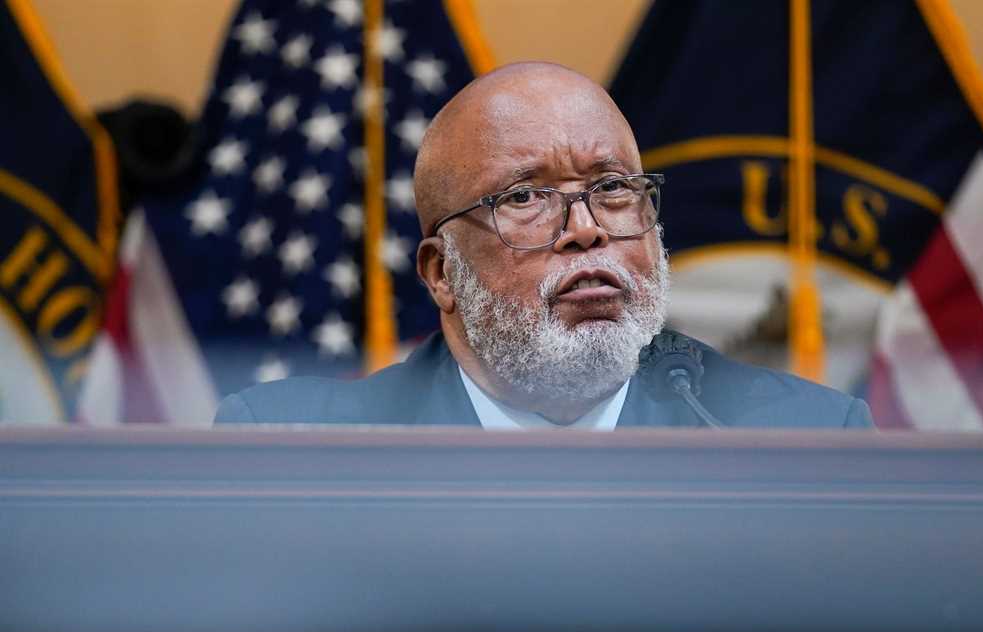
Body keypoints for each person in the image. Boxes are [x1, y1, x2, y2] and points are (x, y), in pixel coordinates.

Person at [215, 62, 872, 429]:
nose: (585, 228)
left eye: (613, 186)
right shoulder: (296, 451)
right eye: (525, 197)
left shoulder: (800, 440)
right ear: (441, 273)